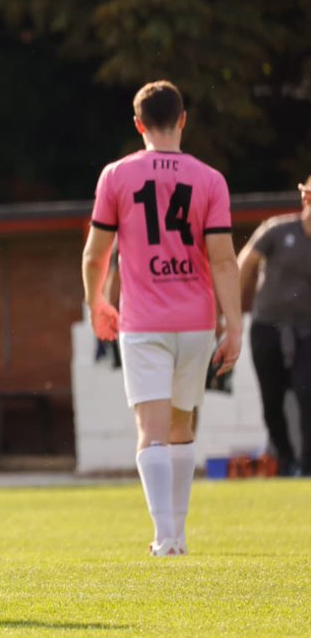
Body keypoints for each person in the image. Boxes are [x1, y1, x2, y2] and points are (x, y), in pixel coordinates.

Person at [82, 80, 242, 557]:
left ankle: (164, 537)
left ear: (138, 124)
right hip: (195, 321)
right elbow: (223, 260)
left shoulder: (116, 175)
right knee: (181, 426)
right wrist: (234, 324)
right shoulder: (210, 179)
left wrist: (97, 302)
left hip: (143, 321)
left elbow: (96, 254)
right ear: (183, 120)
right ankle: (181, 532)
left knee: (149, 429)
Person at [238, 174, 311, 477]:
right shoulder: (278, 230)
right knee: (272, 398)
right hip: (267, 326)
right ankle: (284, 458)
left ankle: (307, 464)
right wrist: (230, 313)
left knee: (308, 393)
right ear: (306, 198)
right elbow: (245, 265)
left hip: (307, 329)